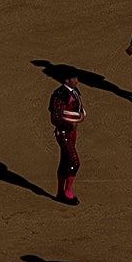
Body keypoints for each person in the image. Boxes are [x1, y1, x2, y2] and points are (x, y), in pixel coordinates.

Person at [49, 72, 87, 203]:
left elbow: (80, 107)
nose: (77, 80)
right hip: (64, 132)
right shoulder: (59, 95)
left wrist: (82, 115)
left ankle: (60, 193)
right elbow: (56, 118)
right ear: (67, 80)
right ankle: (67, 193)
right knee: (74, 162)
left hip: (71, 133)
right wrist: (70, 123)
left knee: (65, 161)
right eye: (74, 78)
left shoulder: (75, 91)